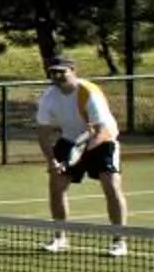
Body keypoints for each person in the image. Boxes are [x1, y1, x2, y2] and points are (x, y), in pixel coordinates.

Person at [32, 54, 128, 257]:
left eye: (61, 72)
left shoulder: (88, 92)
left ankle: (119, 241)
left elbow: (100, 130)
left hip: (103, 139)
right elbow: (42, 133)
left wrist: (83, 151)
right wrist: (52, 161)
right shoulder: (48, 97)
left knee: (111, 184)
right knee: (56, 185)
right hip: (70, 139)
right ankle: (60, 238)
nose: (57, 76)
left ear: (73, 71)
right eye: (53, 73)